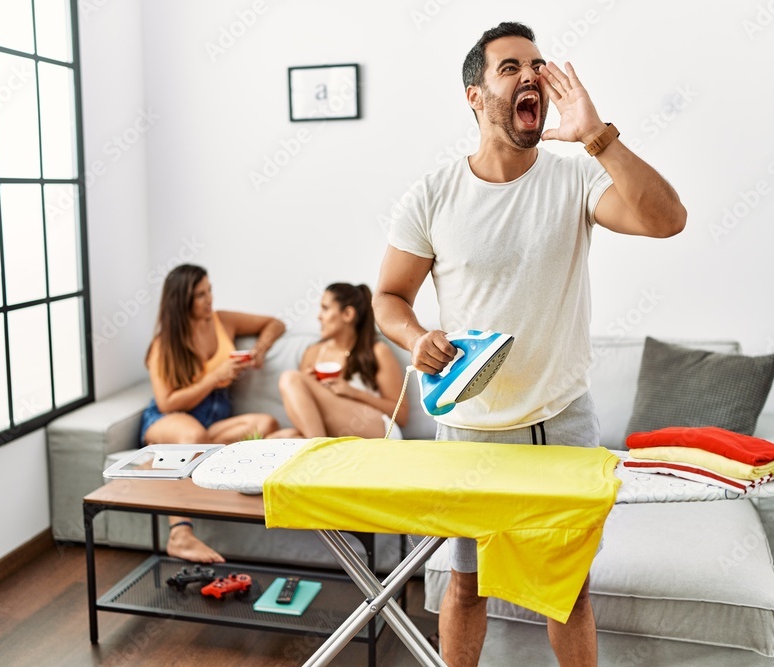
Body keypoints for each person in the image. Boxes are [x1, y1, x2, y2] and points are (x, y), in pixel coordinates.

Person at [372, 21, 686, 667]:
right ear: (475, 95)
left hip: (560, 424)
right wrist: (416, 336)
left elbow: (668, 219)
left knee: (566, 593)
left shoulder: (576, 178)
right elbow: (388, 298)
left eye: (537, 65)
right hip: (468, 430)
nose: (531, 77)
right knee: (465, 585)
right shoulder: (431, 195)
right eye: (510, 67)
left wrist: (597, 136)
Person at [140, 264, 295, 563]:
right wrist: (214, 377)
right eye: (200, 295)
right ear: (181, 300)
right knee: (192, 435)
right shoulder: (163, 344)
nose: (208, 299)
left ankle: (172, 457)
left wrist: (260, 351)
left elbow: (275, 323)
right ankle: (180, 535)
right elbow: (167, 402)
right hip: (170, 419)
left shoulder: (222, 321)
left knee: (266, 423)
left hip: (211, 421)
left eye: (209, 290)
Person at [278, 283, 409, 440]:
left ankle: (318, 450)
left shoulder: (377, 351)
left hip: (377, 428)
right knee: (288, 436)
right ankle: (318, 446)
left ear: (347, 314)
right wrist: (310, 386)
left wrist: (353, 393)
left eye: (325, 308)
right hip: (332, 431)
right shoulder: (312, 353)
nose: (319, 316)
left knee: (290, 378)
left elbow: (401, 415)